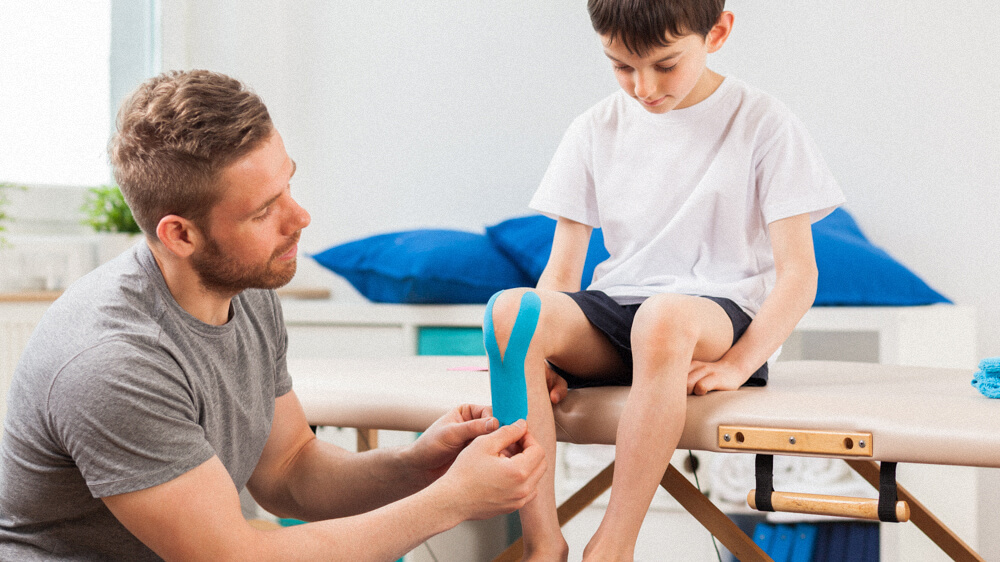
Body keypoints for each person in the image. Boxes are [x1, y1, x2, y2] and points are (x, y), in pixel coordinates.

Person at [0, 69, 546, 561]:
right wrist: (449, 502)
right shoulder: (112, 363)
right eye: (264, 210)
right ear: (180, 234)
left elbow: (290, 472)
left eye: (288, 185)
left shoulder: (246, 287)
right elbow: (234, 558)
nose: (300, 217)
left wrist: (418, 466)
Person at [488, 1, 845, 560]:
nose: (644, 87)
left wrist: (738, 364)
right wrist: (546, 359)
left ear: (718, 32)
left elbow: (800, 275)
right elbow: (560, 272)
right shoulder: (594, 127)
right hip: (616, 314)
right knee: (512, 312)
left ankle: (614, 545)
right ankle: (541, 542)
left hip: (714, 318)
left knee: (663, 316)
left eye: (665, 65)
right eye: (622, 67)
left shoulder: (763, 122)